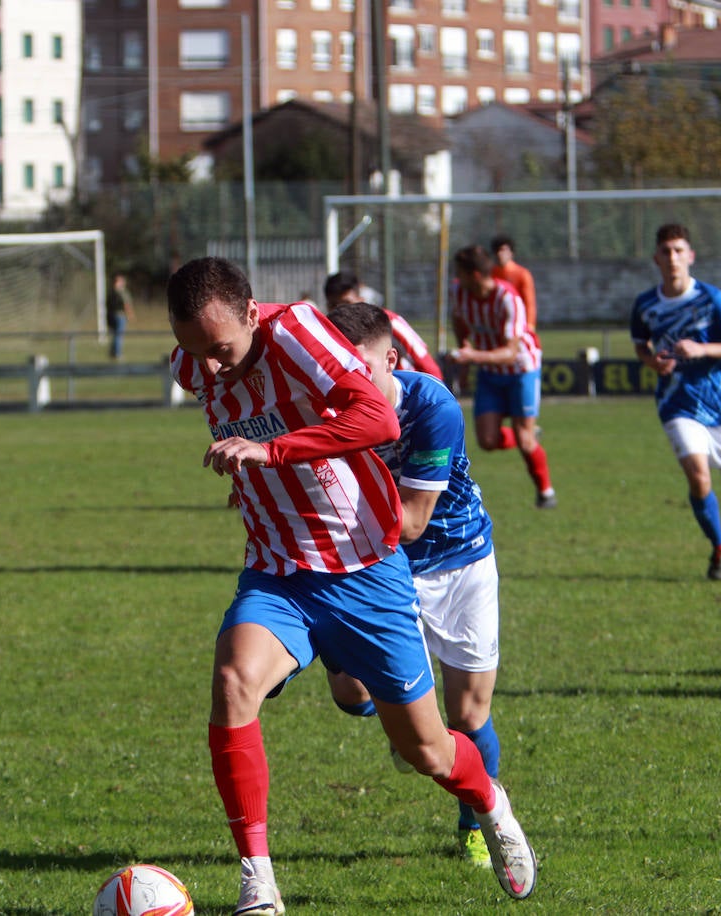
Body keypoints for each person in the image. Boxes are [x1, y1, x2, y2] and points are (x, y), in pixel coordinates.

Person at [167, 256, 536, 913]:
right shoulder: (195, 361)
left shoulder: (302, 333)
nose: (211, 367)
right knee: (232, 681)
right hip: (280, 569)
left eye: (221, 349)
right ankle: (259, 883)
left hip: (366, 570)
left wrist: (270, 453)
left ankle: (490, 803)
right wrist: (251, 478)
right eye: (197, 353)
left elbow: (378, 422)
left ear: (255, 314)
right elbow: (237, 416)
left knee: (426, 750)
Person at [323, 300, 510, 871]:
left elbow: (411, 522)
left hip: (458, 562)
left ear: (392, 359)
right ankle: (407, 724)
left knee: (468, 716)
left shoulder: (433, 406)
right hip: (382, 566)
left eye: (364, 369)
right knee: (348, 692)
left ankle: (480, 822)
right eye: (340, 371)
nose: (353, 383)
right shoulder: (325, 406)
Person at [630, 223, 721, 580]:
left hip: (720, 401)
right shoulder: (646, 304)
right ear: (656, 258)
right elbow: (641, 345)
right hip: (677, 402)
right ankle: (719, 547)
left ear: (690, 256)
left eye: (678, 250)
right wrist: (653, 361)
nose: (672, 258)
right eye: (666, 251)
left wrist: (702, 349)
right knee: (699, 478)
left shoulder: (712, 299)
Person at [449, 244, 557, 509]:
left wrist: (471, 358)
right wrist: (465, 360)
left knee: (524, 440)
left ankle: (546, 492)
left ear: (474, 274)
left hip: (522, 370)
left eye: (460, 272)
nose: (456, 277)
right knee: (486, 441)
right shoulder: (460, 292)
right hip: (489, 371)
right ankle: (530, 434)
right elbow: (459, 321)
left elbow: (511, 353)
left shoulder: (508, 298)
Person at [323, 269, 444, 380]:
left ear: (361, 299)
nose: (340, 309)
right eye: (333, 305)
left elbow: (426, 362)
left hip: (404, 394)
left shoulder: (388, 321)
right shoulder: (327, 333)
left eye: (346, 303)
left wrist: (438, 397)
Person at [490, 235, 538, 330]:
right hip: (497, 323)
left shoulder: (522, 274)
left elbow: (529, 302)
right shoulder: (491, 274)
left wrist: (530, 325)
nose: (500, 254)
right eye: (497, 250)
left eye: (504, 250)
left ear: (511, 253)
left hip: (518, 323)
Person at [106, 272, 135, 360]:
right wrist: (130, 314)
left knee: (115, 335)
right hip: (120, 316)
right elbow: (126, 304)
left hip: (112, 315)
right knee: (118, 335)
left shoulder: (111, 292)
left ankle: (112, 352)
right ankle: (117, 353)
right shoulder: (121, 292)